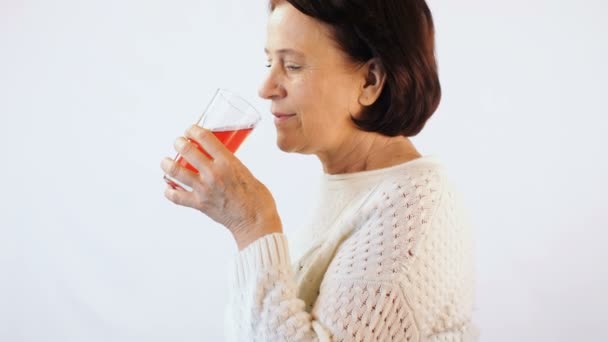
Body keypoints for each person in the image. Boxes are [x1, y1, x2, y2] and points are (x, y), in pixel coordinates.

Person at [160, 0, 478, 340]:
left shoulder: (415, 208)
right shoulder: (356, 191)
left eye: (293, 66)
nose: (266, 88)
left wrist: (253, 223)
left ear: (370, 81)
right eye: (270, 62)